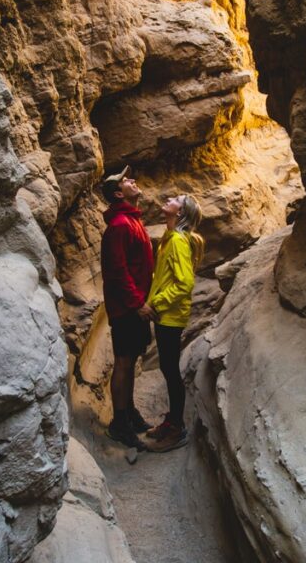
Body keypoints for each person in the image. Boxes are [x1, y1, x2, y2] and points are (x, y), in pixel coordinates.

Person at [139, 193, 204, 453]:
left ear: (180, 213)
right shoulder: (171, 237)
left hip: (170, 316)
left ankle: (176, 429)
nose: (168, 198)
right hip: (167, 314)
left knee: (170, 371)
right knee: (168, 368)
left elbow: (185, 283)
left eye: (176, 199)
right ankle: (172, 422)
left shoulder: (177, 240)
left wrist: (155, 304)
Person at [100, 165, 154, 449]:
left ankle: (129, 412)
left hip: (135, 306)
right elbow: (117, 272)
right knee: (123, 361)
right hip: (127, 309)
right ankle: (119, 423)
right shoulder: (120, 226)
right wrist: (137, 303)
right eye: (126, 180)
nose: (132, 180)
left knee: (130, 359)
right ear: (119, 192)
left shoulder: (131, 221)